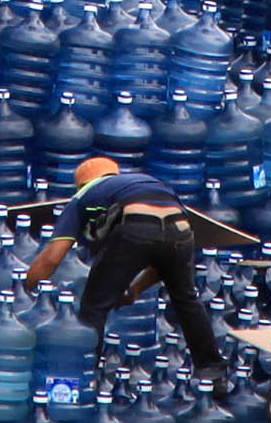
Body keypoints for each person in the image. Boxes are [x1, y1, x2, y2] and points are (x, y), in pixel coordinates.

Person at [22, 157, 227, 387]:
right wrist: (134, 289)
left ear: (81, 184)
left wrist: (25, 291)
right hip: (180, 227)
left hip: (134, 225)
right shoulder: (147, 183)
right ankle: (213, 374)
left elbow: (53, 257)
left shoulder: (85, 195)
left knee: (94, 307)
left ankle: (86, 378)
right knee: (186, 299)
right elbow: (164, 261)